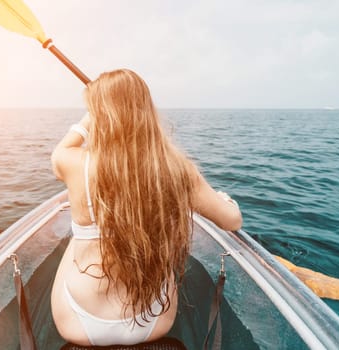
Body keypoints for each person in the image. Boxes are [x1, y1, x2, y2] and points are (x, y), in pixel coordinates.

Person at [50, 69, 242, 346]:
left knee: (77, 239)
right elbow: (232, 221)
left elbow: (59, 152)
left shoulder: (74, 163)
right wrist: (226, 201)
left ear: (100, 115)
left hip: (79, 323)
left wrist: (86, 121)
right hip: (152, 323)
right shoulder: (177, 169)